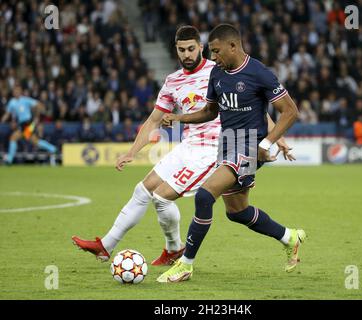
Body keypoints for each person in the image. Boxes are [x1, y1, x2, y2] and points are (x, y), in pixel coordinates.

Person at [72, 26, 293, 266]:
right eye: (181, 50)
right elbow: (154, 120)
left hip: (217, 146)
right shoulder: (172, 81)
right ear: (175, 51)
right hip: (188, 145)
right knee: (143, 189)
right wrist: (131, 152)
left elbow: (252, 104)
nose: (186, 54)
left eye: (191, 49)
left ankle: (177, 252)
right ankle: (106, 245)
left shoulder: (219, 67)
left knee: (164, 198)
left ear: (201, 47)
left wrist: (274, 137)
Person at [157, 24, 305, 283]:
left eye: (216, 51)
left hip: (249, 144)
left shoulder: (259, 73)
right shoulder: (217, 73)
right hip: (226, 142)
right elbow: (209, 112)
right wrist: (178, 117)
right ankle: (289, 237)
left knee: (204, 195)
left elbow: (290, 111)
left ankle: (185, 265)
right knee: (237, 212)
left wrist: (268, 143)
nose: (213, 57)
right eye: (212, 52)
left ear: (233, 46)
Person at [1, 84, 57, 165]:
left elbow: (39, 105)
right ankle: (53, 149)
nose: (16, 92)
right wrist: (2, 119)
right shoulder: (12, 102)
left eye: (18, 90)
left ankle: (9, 159)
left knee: (14, 138)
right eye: (15, 90)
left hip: (28, 123)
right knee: (34, 141)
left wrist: (38, 116)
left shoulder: (25, 100)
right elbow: (8, 113)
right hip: (22, 124)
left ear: (20, 91)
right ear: (13, 92)